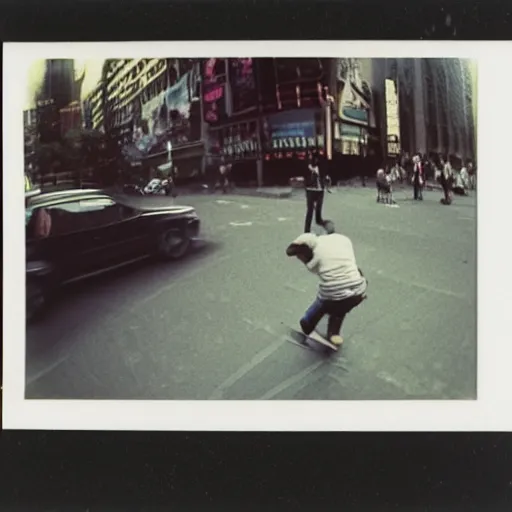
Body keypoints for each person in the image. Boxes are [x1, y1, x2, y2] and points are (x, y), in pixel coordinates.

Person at [285, 230, 368, 348]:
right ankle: (333, 333)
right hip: (359, 289)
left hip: (334, 292)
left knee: (322, 304)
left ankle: (307, 323)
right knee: (341, 309)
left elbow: (311, 265)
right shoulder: (341, 240)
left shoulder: (314, 260)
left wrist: (306, 257)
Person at [304, 153, 328, 233]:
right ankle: (307, 230)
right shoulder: (307, 167)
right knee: (310, 210)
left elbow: (324, 173)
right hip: (310, 189)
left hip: (319, 189)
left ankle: (318, 220)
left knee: (318, 207)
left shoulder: (320, 167)